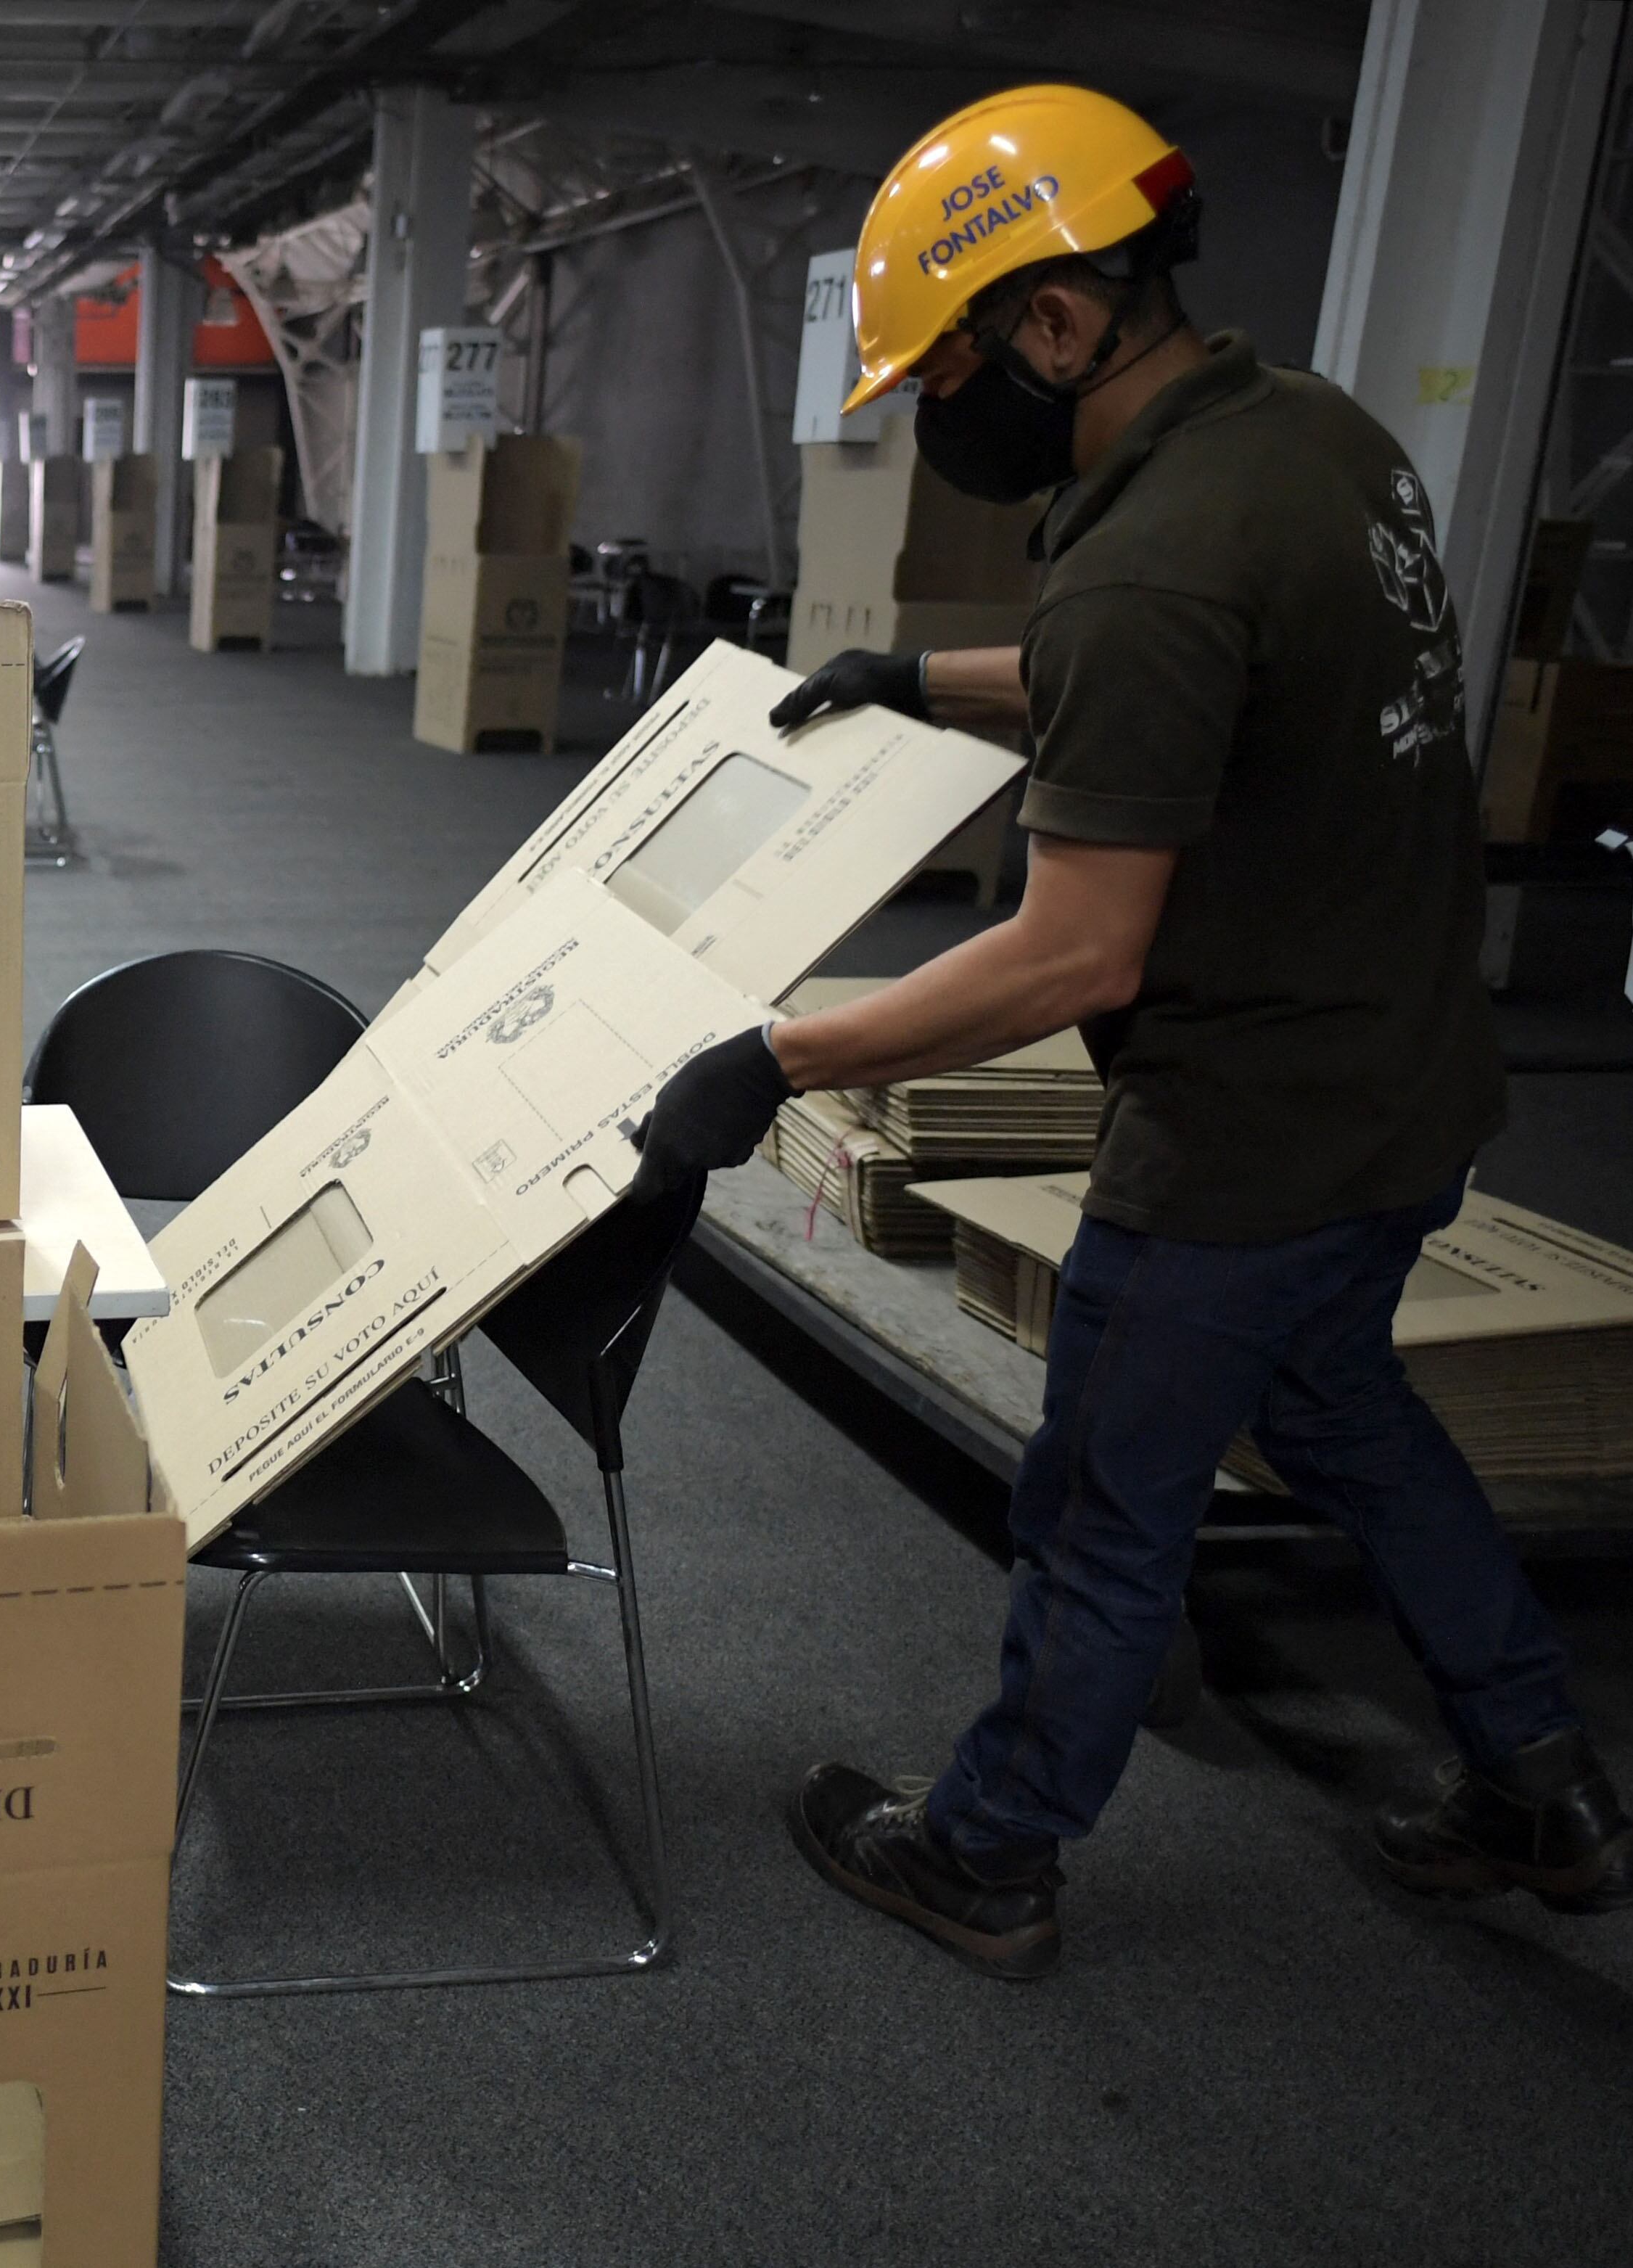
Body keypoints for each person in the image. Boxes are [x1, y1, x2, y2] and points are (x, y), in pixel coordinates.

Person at [630, 83, 1629, 1979]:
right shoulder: (1311, 439)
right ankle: (1541, 1781)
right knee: (1350, 1422)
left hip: (1241, 1146)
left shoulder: (1156, 551)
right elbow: (1197, 670)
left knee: (1098, 1497)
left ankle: (987, 1854)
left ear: (1059, 321)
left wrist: (770, 1065)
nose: (939, 418)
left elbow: (1068, 958)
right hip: (1407, 1092)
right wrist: (913, 675)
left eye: (944, 372)